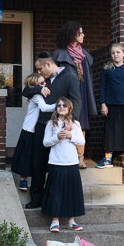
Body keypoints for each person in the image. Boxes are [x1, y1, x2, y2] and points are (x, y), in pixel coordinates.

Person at [21, 52, 81, 209]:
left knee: (56, 165)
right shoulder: (43, 80)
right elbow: (25, 91)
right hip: (42, 126)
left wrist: (71, 121)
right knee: (38, 163)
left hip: (60, 126)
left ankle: (56, 199)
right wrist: (38, 90)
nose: (38, 72)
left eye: (39, 69)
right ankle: (36, 198)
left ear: (48, 65)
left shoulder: (69, 77)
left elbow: (76, 101)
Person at [52, 21, 96, 168]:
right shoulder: (59, 55)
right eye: (80, 33)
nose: (83, 35)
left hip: (81, 93)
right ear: (72, 35)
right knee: (63, 124)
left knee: (80, 124)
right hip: (66, 96)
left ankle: (80, 159)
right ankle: (66, 158)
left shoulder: (85, 56)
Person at [42, 98, 86, 232]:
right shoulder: (51, 124)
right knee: (56, 192)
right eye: (59, 105)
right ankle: (55, 221)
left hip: (71, 162)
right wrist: (57, 137)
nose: (61, 107)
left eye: (64, 105)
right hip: (56, 162)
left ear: (69, 108)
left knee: (71, 192)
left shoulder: (75, 124)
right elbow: (45, 143)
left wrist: (70, 135)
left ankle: (71, 221)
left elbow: (82, 141)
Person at [11, 74, 56, 191]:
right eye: (41, 84)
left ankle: (24, 180)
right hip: (29, 131)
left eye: (44, 82)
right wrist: (59, 105)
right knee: (26, 156)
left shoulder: (38, 95)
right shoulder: (37, 96)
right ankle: (23, 180)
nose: (44, 84)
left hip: (31, 130)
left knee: (29, 156)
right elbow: (44, 108)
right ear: (35, 86)